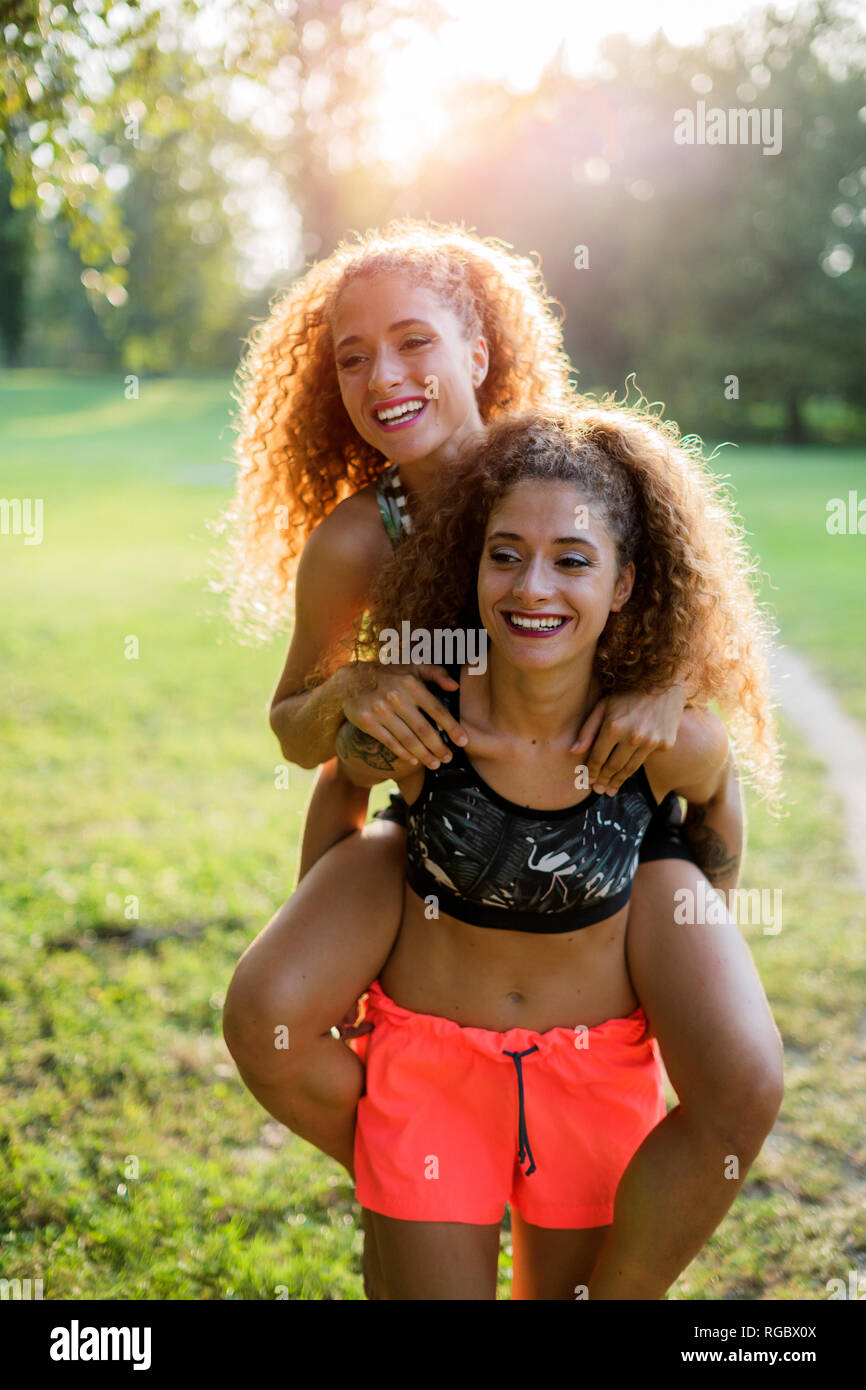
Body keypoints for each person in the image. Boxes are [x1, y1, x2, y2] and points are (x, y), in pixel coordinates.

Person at [219, 220, 781, 1296]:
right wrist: (351, 690)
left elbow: (673, 651)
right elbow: (302, 735)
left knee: (730, 1078)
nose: (384, 376)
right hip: (441, 814)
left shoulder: (560, 470)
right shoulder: (358, 540)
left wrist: (670, 698)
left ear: (478, 350)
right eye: (351, 356)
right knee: (298, 1025)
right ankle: (431, 1158)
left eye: (414, 341)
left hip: (603, 822)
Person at [334, 408, 783, 1300]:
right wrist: (340, 934)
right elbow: (342, 779)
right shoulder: (424, 718)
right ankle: (409, 1172)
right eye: (505, 555)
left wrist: (693, 938)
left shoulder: (661, 736)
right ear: (473, 564)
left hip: (592, 1066)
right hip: (432, 1069)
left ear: (624, 585)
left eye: (573, 560)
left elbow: (716, 805)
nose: (532, 586)